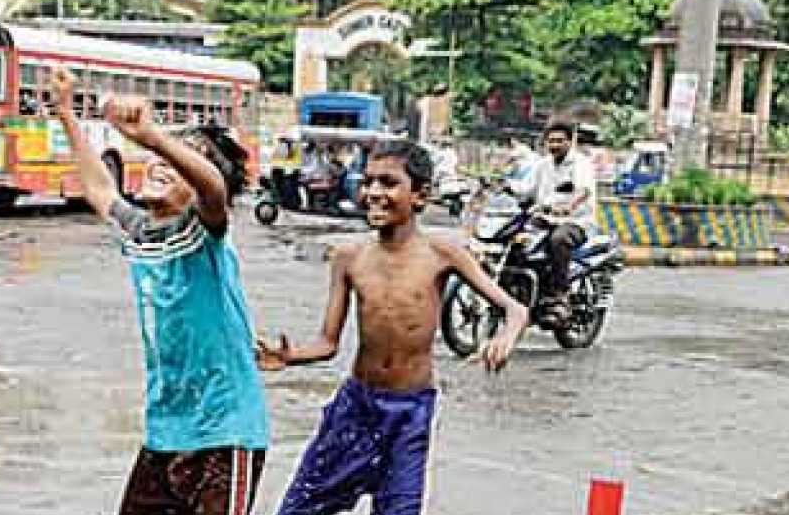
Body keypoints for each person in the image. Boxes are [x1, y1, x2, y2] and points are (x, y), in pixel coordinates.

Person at [257, 140, 528, 515]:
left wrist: (505, 336)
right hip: (356, 408)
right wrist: (290, 356)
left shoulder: (443, 254)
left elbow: (514, 309)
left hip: (409, 413)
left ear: (420, 196)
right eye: (368, 182)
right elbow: (328, 343)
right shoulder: (349, 257)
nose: (373, 193)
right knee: (300, 507)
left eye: (388, 183)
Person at [51, 66, 270, 515]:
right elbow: (99, 188)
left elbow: (211, 188)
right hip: (166, 429)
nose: (160, 162)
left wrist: (153, 137)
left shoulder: (206, 231)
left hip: (225, 431)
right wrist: (67, 115)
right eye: (157, 156)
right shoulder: (140, 233)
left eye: (179, 160)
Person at [523, 122, 598, 323]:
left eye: (559, 141)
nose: (554, 145)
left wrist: (569, 205)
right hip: (544, 219)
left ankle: (560, 295)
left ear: (570, 141)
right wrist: (501, 187)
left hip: (575, 222)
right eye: (551, 141)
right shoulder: (542, 165)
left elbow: (584, 190)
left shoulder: (581, 164)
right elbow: (527, 190)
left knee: (558, 240)